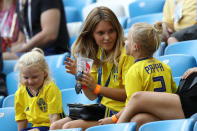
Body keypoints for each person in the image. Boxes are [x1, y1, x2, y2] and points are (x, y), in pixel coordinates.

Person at [50, 6, 135, 130]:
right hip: (101, 110)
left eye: (111, 31)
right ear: (91, 35)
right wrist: (80, 77)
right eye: (101, 33)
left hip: (120, 113)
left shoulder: (127, 53)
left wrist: (96, 87)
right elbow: (92, 96)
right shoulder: (89, 54)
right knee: (55, 126)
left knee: (68, 127)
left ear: (117, 30)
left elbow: (129, 95)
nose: (107, 37)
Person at [98, 22, 178, 130]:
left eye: (128, 40)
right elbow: (174, 93)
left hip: (147, 120)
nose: (125, 41)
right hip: (166, 119)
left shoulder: (133, 71)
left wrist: (113, 119)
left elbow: (130, 106)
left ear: (135, 46)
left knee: (132, 120)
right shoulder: (165, 66)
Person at [117, 67, 197, 130]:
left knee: (138, 98)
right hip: (185, 94)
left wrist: (114, 118)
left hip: (191, 102)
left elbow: (136, 99)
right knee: (139, 120)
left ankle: (115, 122)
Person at [14, 48, 65, 131]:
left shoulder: (50, 88)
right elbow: (21, 120)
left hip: (52, 127)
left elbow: (54, 118)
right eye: (26, 78)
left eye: (34, 77)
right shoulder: (20, 93)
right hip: (34, 128)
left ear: (44, 73)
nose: (30, 81)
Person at [3, 0, 70, 60]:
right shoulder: (20, 2)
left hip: (52, 54)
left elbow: (49, 35)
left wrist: (23, 48)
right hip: (31, 53)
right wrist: (8, 49)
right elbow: (22, 40)